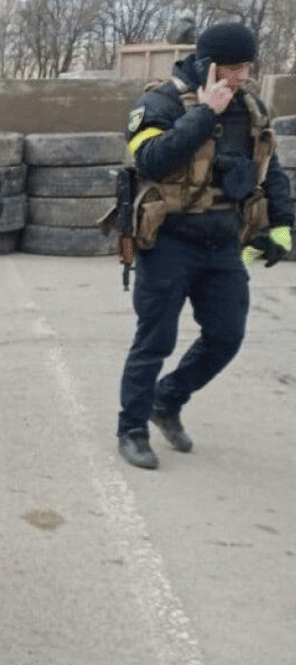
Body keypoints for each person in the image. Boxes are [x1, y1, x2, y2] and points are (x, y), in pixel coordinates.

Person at [116, 21, 292, 469]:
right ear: (208, 66)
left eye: (247, 66)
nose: (243, 76)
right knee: (155, 340)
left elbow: (270, 170)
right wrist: (204, 114)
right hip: (169, 240)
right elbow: (151, 159)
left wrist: (283, 225)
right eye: (234, 68)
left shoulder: (251, 107)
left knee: (226, 336)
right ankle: (132, 429)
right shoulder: (161, 102)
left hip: (222, 244)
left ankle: (166, 400)